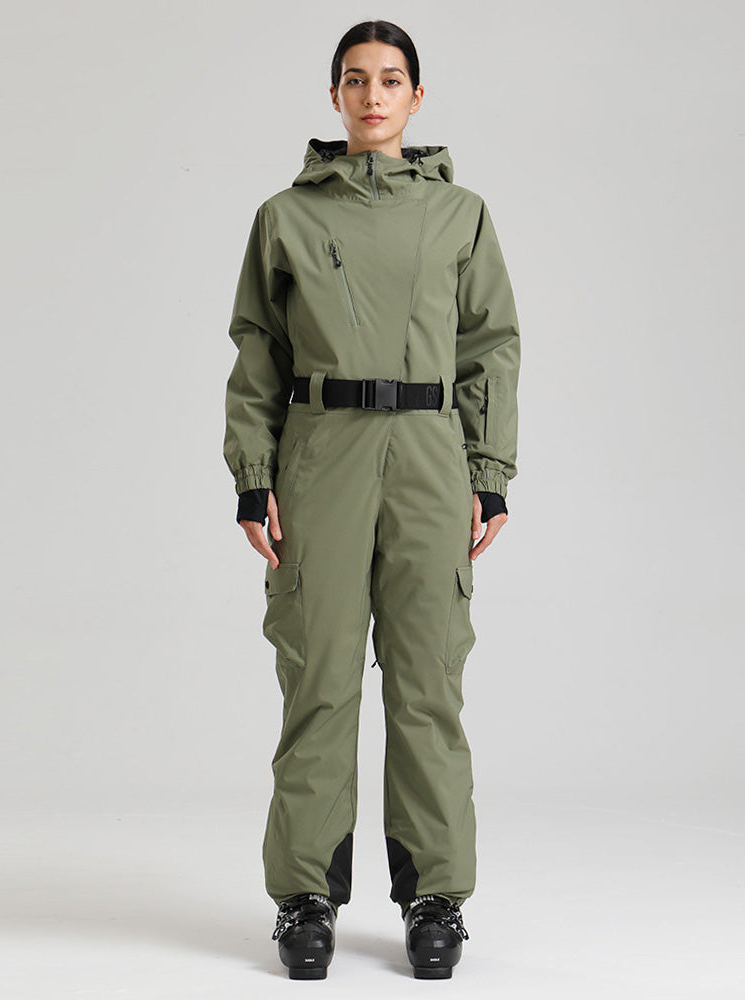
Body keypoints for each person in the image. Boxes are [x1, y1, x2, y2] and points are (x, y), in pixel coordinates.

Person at [222, 19, 520, 981]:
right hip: (323, 454)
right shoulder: (286, 217)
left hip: (430, 455)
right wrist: (254, 477)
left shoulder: (461, 215)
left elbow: (490, 347)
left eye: (391, 80)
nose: (373, 95)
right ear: (335, 96)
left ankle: (436, 897)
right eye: (356, 79)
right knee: (319, 678)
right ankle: (304, 896)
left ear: (416, 97)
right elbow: (258, 349)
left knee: (429, 680)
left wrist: (488, 472)